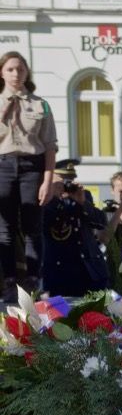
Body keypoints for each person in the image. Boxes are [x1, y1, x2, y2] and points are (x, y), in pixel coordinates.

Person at [0, 51, 57, 299]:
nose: (16, 74)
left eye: (20, 69)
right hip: (2, 165)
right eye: (11, 69)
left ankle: (33, 280)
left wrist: (47, 180)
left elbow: (50, 146)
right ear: (2, 72)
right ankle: (10, 281)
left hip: (32, 167)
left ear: (27, 73)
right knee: (5, 229)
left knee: (33, 227)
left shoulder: (40, 104)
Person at [39, 159, 109, 297]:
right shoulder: (44, 198)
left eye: (70, 179)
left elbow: (101, 222)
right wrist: (54, 197)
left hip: (89, 269)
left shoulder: (82, 195)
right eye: (63, 179)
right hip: (59, 272)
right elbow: (42, 223)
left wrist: (82, 203)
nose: (67, 184)